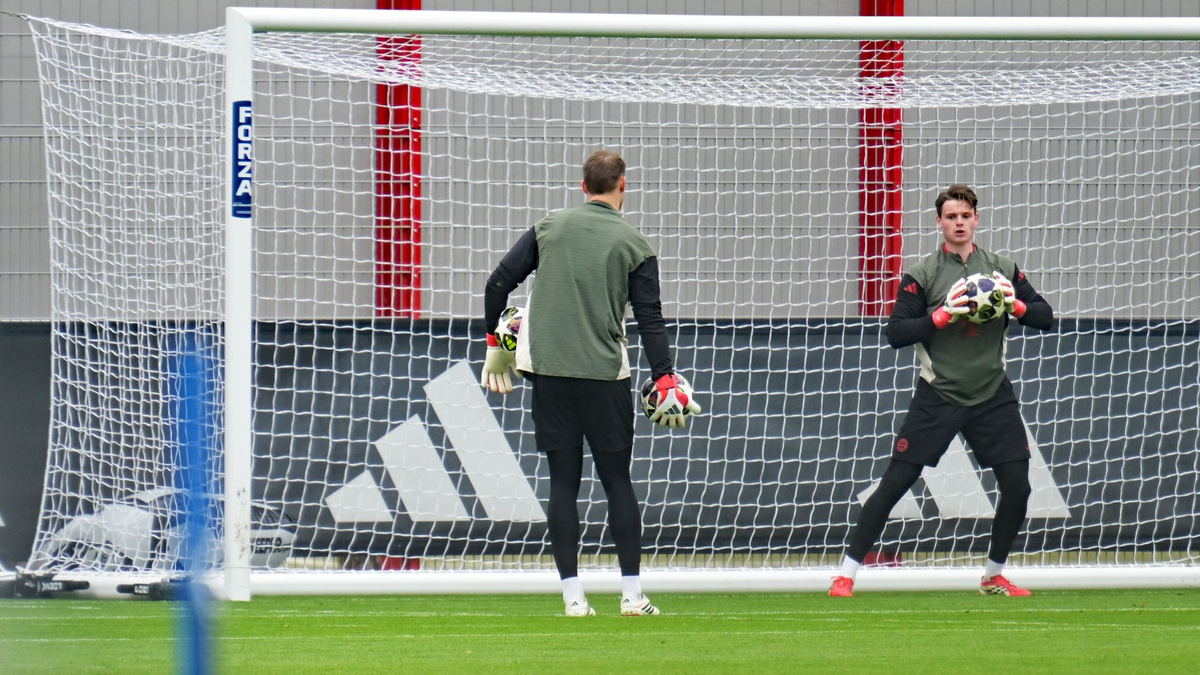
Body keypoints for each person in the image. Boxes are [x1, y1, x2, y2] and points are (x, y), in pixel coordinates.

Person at [481, 150, 700, 617]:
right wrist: (663, 373)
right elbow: (649, 317)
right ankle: (632, 596)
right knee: (617, 483)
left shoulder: (549, 227)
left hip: (551, 376)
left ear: (583, 187)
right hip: (605, 377)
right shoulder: (634, 242)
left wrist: (496, 342)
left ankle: (573, 598)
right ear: (623, 185)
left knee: (563, 485)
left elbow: (497, 285)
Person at [830, 184, 1054, 598]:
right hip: (939, 393)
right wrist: (943, 315)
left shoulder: (1001, 268)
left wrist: (1015, 305)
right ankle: (846, 574)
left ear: (976, 219)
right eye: (951, 217)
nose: (959, 223)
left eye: (965, 216)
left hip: (991, 393)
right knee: (895, 483)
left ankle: (993, 576)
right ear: (939, 223)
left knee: (1018, 486)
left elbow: (1045, 317)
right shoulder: (923, 273)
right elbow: (896, 333)